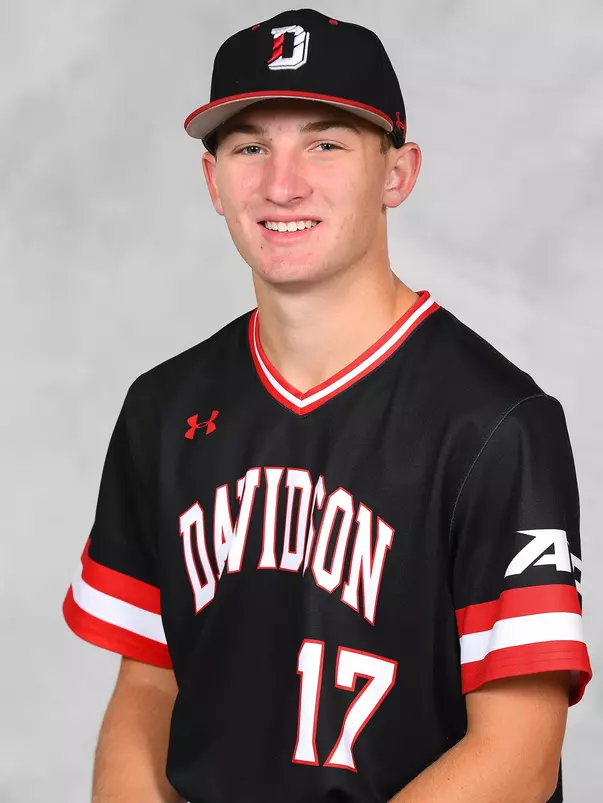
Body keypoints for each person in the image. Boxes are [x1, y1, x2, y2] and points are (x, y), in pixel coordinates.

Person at [62, 9, 592, 803]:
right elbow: (148, 687)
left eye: (325, 143)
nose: (282, 183)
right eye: (249, 146)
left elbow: (517, 757)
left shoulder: (496, 424)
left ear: (397, 173)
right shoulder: (164, 410)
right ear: (212, 181)